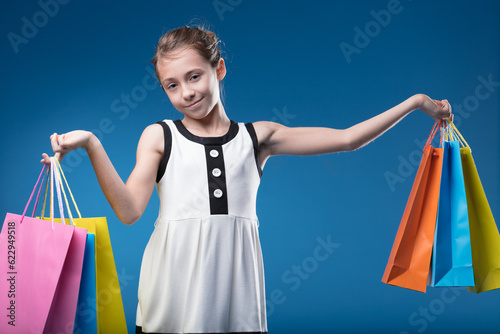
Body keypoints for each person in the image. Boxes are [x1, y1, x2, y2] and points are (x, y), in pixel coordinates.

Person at [41, 25, 452, 334]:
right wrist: (93, 144)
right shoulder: (160, 135)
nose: (186, 92)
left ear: (218, 69)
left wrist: (415, 103)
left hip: (235, 295)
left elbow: (346, 139)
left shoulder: (258, 137)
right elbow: (130, 211)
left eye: (195, 76)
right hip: (172, 292)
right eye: (172, 85)